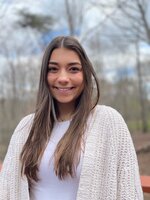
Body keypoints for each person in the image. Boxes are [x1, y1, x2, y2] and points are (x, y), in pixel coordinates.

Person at [0, 36, 143, 200]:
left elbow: (129, 192)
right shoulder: (26, 127)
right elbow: (6, 190)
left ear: (86, 74)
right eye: (53, 69)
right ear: (44, 75)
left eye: (73, 69)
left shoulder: (109, 121)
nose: (62, 78)